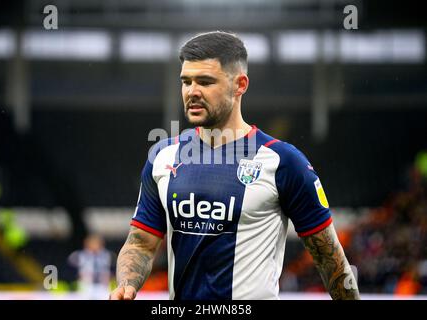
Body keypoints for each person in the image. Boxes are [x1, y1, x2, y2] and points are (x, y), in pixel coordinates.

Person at [110, 31, 360, 300]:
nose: (192, 92)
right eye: (186, 81)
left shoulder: (284, 162)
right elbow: (140, 244)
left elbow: (328, 256)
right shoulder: (162, 156)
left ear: (240, 85)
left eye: (205, 82)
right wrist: (127, 285)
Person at [68, 234, 113, 300]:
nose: (95, 246)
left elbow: (107, 269)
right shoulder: (81, 255)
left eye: (96, 243)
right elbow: (71, 260)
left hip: (102, 285)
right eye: (92, 243)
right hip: (86, 284)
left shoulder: (106, 255)